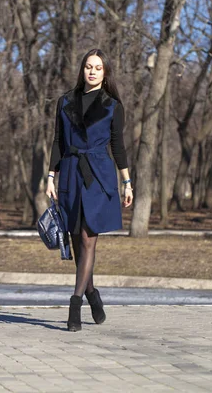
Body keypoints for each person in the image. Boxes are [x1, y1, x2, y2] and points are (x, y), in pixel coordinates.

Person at [46, 49, 133, 332]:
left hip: (98, 174)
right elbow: (58, 140)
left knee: (87, 238)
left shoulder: (112, 106)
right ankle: (92, 293)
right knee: (74, 238)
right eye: (88, 66)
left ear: (105, 73)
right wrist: (50, 175)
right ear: (82, 70)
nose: (92, 71)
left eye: (98, 68)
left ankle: (75, 303)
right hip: (70, 172)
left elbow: (118, 146)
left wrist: (127, 182)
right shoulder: (65, 102)